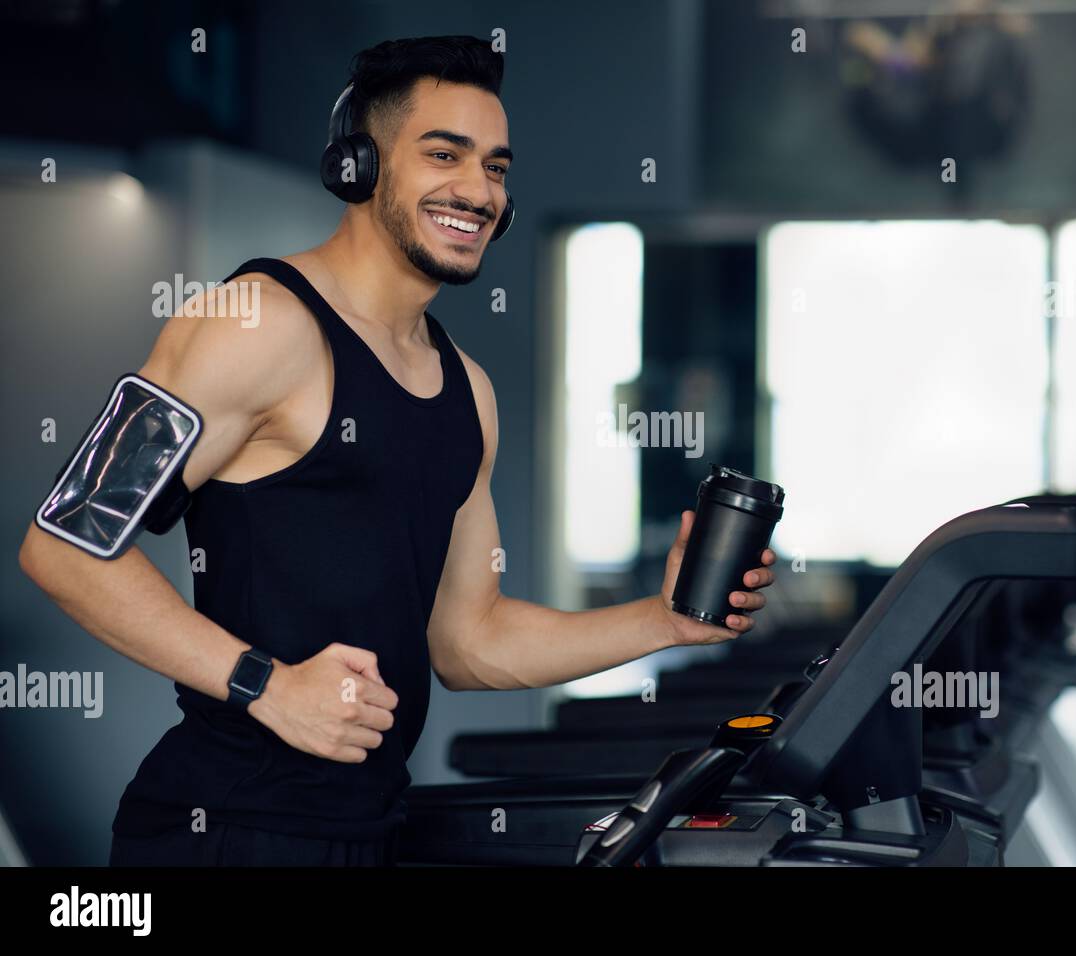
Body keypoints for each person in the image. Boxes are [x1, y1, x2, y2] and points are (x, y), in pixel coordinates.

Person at [17, 35, 777, 867]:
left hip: (371, 831)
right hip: (225, 831)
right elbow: (66, 544)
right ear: (360, 165)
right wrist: (266, 685)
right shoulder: (255, 322)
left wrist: (657, 620)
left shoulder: (467, 393)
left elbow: (469, 642)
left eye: (495, 166)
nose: (478, 189)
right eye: (443, 154)